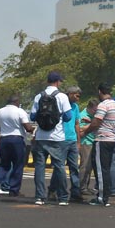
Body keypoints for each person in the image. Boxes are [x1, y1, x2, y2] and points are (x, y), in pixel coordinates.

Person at [30, 71, 72, 206]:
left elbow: (32, 116)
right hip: (57, 137)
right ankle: (63, 197)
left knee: (40, 167)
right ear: (58, 82)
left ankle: (39, 197)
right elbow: (68, 116)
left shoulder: (38, 96)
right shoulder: (62, 96)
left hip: (41, 136)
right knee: (59, 166)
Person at [0, 95, 34, 197]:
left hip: (4, 139)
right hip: (17, 139)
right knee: (18, 165)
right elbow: (27, 127)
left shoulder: (0, 111)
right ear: (16, 102)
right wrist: (32, 129)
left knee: (4, 164)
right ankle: (14, 190)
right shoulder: (20, 111)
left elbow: (1, 125)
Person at [83, 83, 115, 207]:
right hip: (111, 139)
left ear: (100, 92)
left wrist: (85, 131)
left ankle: (102, 197)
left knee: (100, 169)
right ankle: (105, 194)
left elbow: (97, 123)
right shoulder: (114, 104)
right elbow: (104, 120)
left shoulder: (103, 105)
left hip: (102, 140)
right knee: (106, 168)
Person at [48, 86, 83, 202]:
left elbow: (77, 123)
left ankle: (75, 192)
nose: (78, 98)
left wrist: (78, 141)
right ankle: (53, 190)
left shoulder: (75, 107)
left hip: (72, 140)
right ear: (70, 94)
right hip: (61, 140)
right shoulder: (60, 103)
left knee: (74, 167)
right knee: (59, 168)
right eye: (77, 96)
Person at [78, 99, 99, 195]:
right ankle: (81, 187)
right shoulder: (83, 116)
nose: (96, 112)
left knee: (89, 167)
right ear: (90, 108)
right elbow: (81, 131)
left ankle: (85, 186)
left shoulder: (91, 117)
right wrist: (92, 124)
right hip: (86, 142)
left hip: (92, 142)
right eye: (95, 110)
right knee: (85, 166)